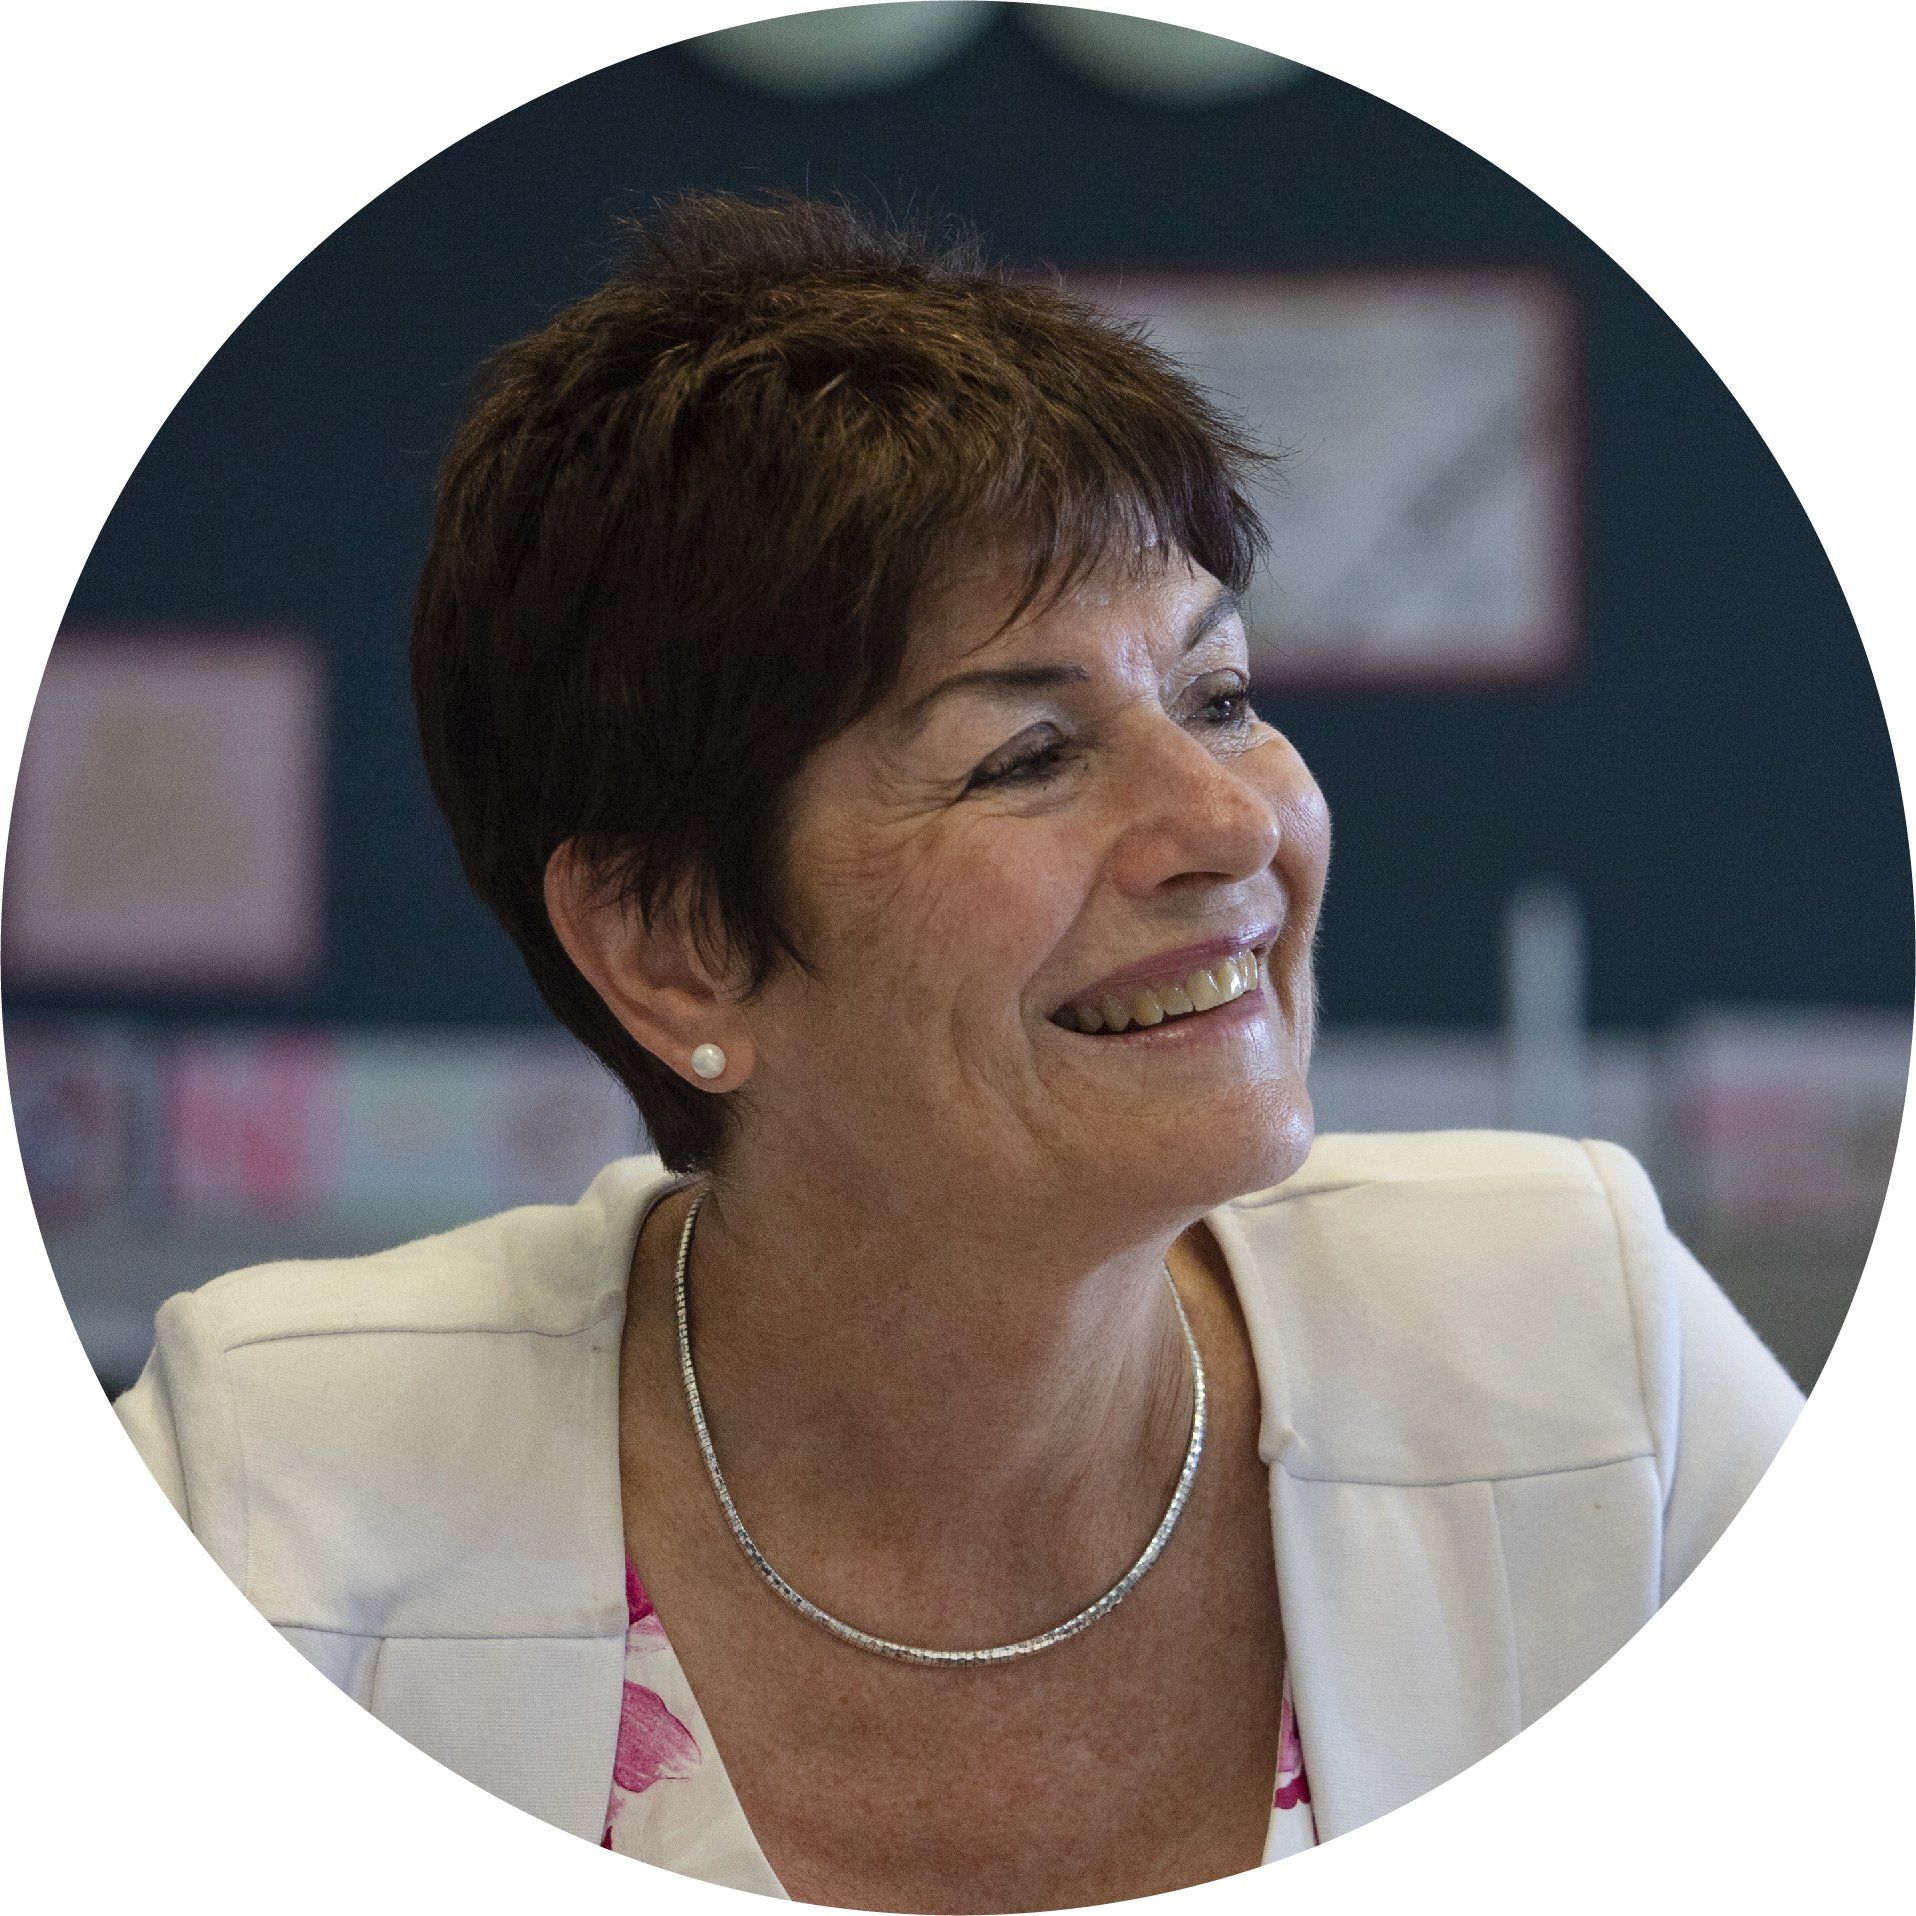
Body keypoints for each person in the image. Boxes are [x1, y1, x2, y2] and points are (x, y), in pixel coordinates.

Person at [114, 193, 1801, 1913]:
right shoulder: (272, 1507)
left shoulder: (1589, 1357)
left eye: (1217, 696)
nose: (1228, 822)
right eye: (1028, 756)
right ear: (671, 939)